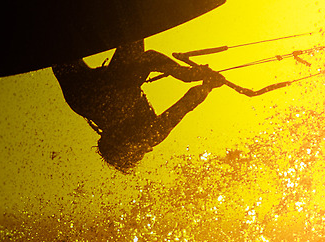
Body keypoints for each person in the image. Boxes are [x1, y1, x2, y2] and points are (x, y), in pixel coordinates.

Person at [51, 39, 226, 171]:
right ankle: (60, 49)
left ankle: (58, 48)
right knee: (131, 60)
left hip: (90, 91)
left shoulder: (88, 103)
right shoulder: (150, 135)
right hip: (109, 85)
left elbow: (150, 60)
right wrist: (205, 84)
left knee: (97, 87)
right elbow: (186, 104)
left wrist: (202, 82)